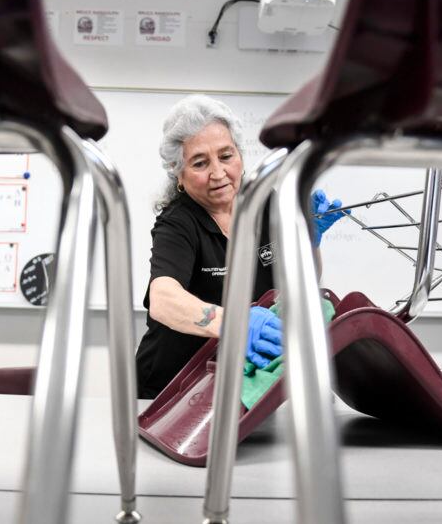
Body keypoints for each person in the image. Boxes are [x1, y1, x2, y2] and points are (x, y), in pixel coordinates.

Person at [135, 95, 349, 399]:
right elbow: (163, 300)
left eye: (226, 156)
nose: (218, 173)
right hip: (168, 390)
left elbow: (300, 281)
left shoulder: (265, 202)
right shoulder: (178, 222)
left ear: (240, 154)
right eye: (200, 163)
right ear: (178, 174)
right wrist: (236, 323)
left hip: (238, 383)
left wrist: (309, 244)